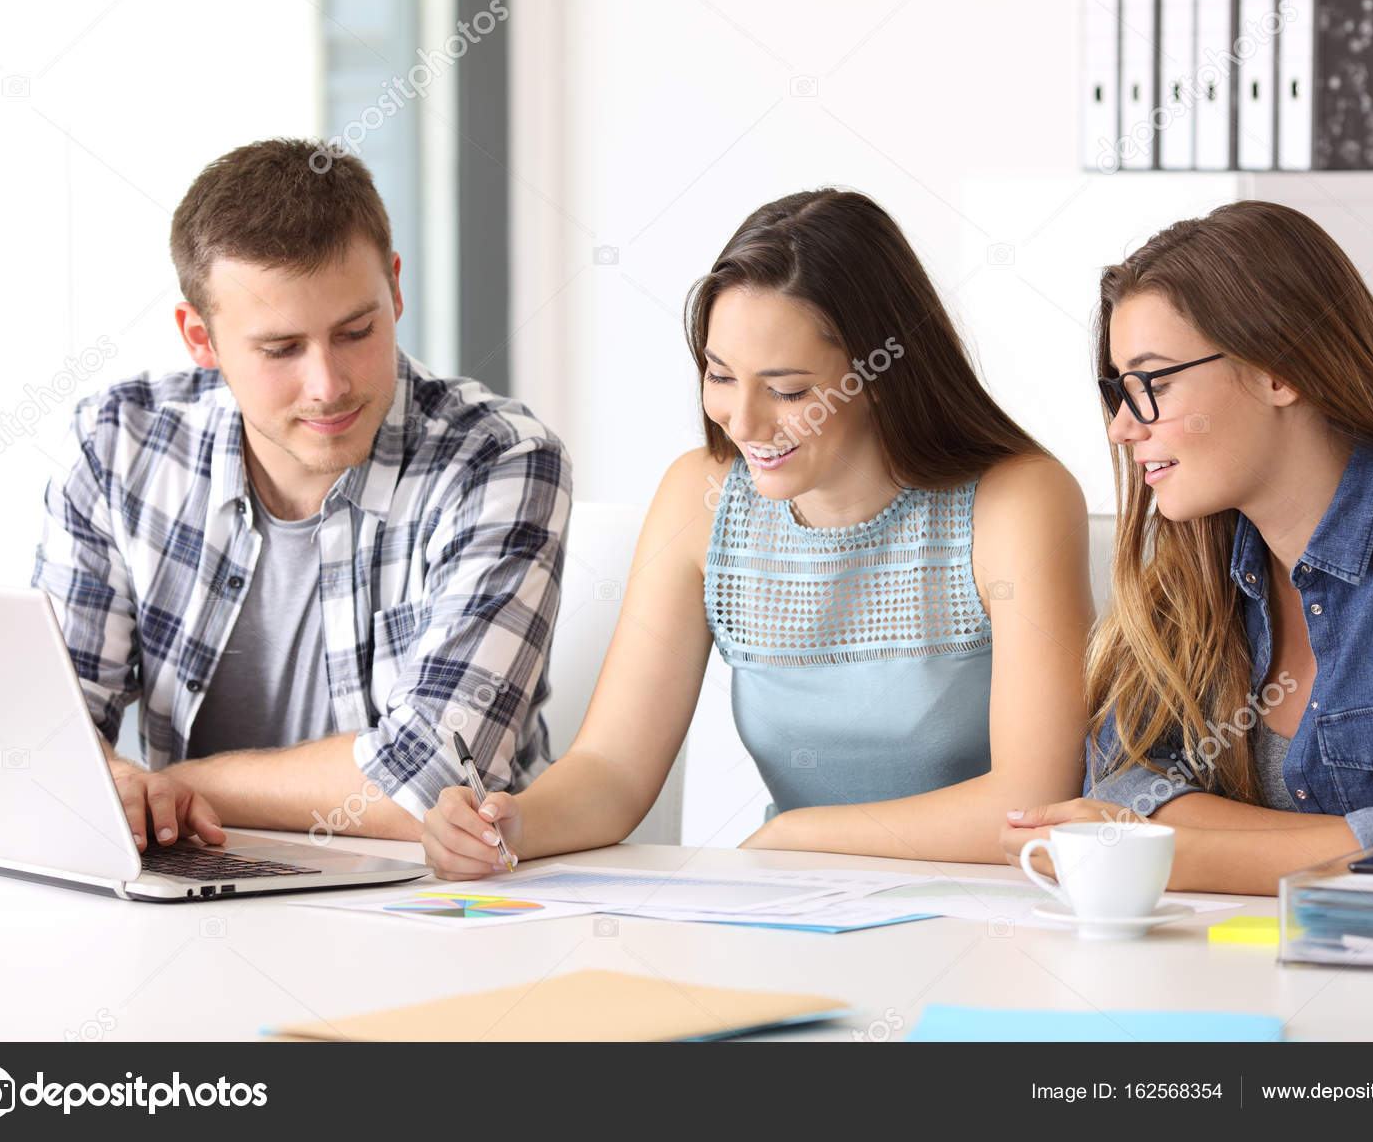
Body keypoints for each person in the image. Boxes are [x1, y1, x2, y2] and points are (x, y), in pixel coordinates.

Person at [423, 188, 1093, 879]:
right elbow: (614, 769)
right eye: (720, 375)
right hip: (796, 912)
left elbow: (1034, 802)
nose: (740, 421)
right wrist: (511, 822)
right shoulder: (702, 498)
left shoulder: (1017, 501)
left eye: (788, 390)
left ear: (881, 373)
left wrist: (799, 835)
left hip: (994, 919)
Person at [31, 138, 571, 852]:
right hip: (193, 883)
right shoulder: (119, 443)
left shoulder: (499, 460)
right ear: (201, 337)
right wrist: (105, 776)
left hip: (436, 902)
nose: (328, 384)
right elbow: (44, 739)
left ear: (396, 288)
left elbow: (435, 785)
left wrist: (178, 785)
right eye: (281, 349)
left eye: (356, 331)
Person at [1003, 200, 1373, 895]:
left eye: (1152, 383)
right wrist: (1357, 841)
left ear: (1279, 370)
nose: (1123, 427)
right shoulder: (1199, 551)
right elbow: (1125, 775)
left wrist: (1164, 854)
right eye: (1117, 390)